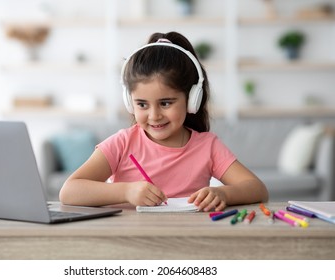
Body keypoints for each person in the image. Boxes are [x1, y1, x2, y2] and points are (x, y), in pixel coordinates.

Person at [59, 31, 268, 212]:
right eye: (142, 104)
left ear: (192, 99)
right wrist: (127, 191)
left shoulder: (208, 146)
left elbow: (257, 189)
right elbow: (69, 192)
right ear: (129, 102)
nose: (154, 115)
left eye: (166, 103)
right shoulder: (122, 143)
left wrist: (224, 194)